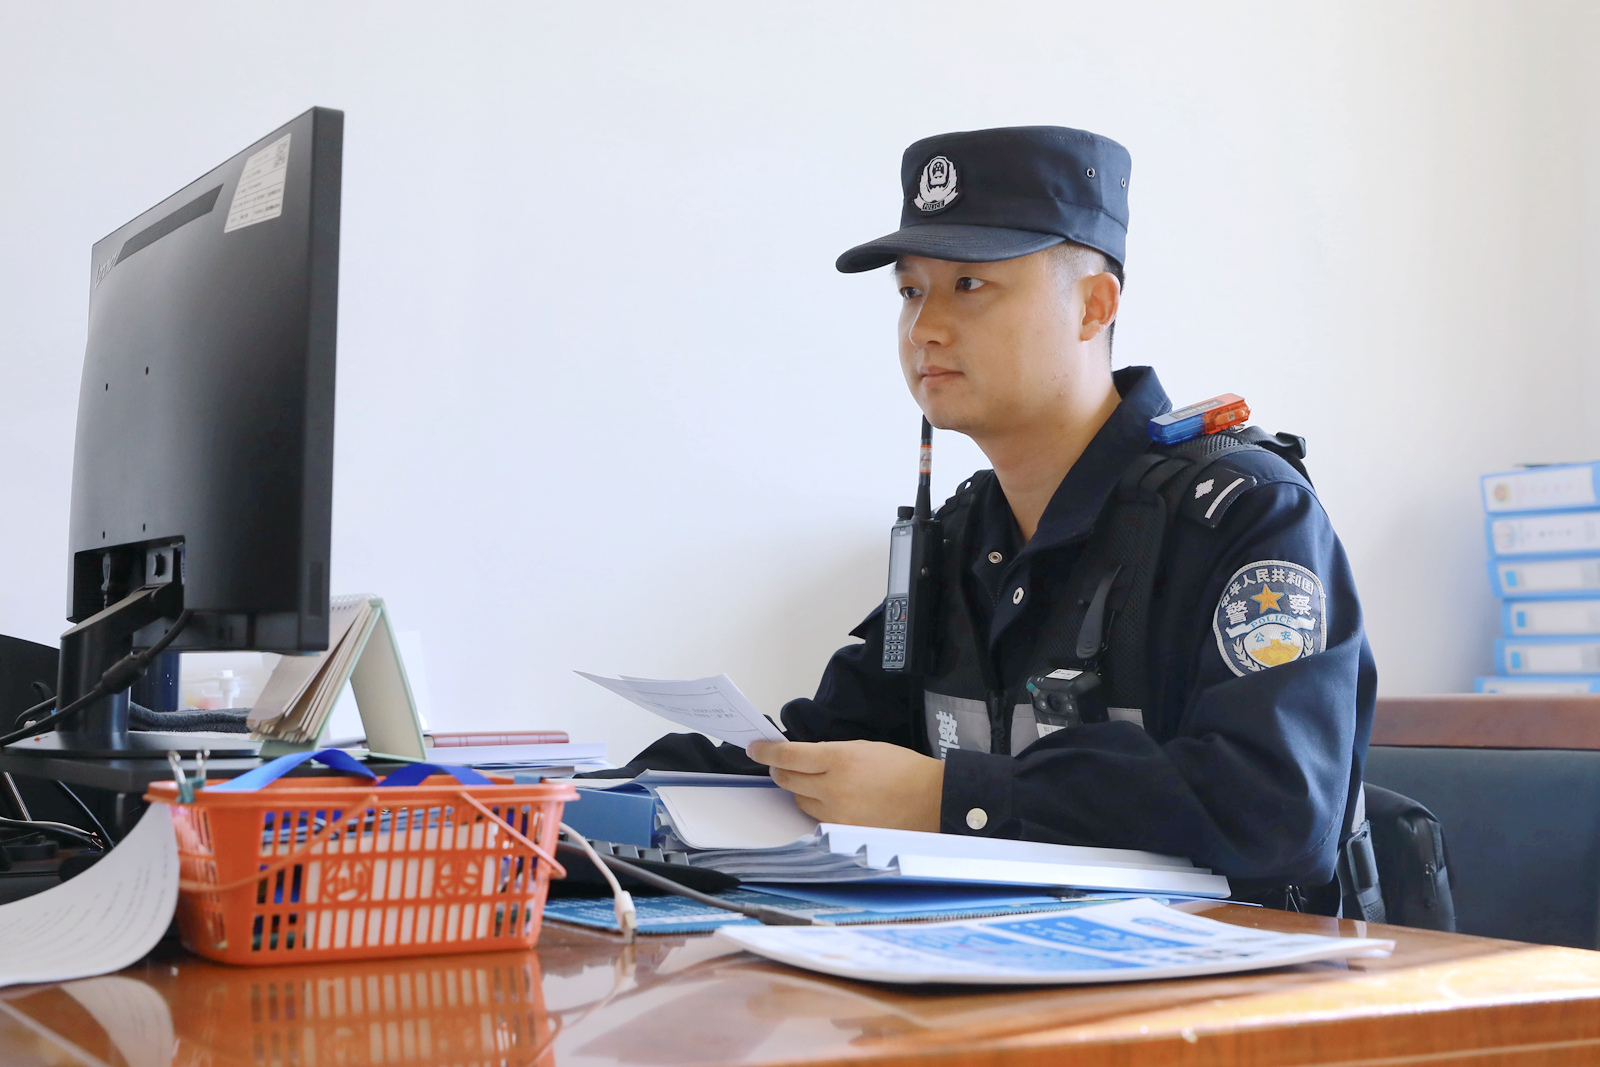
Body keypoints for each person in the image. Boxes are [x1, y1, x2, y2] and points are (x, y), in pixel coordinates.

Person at [613, 126, 1375, 911]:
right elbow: (826, 749)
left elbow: (1277, 809)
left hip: (1236, 977)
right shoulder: (961, 535)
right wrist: (581, 806)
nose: (924, 328)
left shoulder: (1245, 512)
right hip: (1001, 965)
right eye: (911, 292)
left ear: (1093, 305)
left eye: (970, 285)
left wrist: (948, 797)